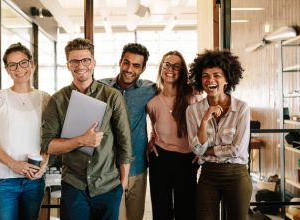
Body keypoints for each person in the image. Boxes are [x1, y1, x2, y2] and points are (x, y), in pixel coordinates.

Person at [41, 38, 133, 220]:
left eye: (85, 60)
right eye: (74, 61)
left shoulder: (112, 97)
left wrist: (122, 184)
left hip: (107, 185)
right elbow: (48, 145)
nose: (80, 65)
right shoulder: (57, 100)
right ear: (68, 65)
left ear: (94, 63)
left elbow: (125, 144)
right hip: (73, 186)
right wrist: (82, 140)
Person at [0, 42, 50, 220]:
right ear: (7, 69)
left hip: (34, 181)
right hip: (3, 182)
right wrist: (13, 163)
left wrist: (45, 162)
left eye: (23, 62)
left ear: (32, 64)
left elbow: (50, 137)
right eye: (12, 65)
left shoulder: (45, 98)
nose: (19, 69)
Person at [186, 49, 252, 220]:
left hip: (236, 175)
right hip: (208, 176)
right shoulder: (193, 111)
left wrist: (207, 150)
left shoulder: (242, 108)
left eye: (217, 75)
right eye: (205, 76)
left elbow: (236, 149)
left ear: (227, 79)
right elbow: (195, 149)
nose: (210, 80)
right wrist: (205, 119)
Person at [99, 43, 155, 220]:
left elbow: (168, 106)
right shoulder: (101, 88)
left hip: (137, 167)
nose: (129, 69)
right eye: (126, 62)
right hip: (108, 170)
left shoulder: (149, 90)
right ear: (120, 62)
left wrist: (155, 136)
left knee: (134, 217)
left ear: (143, 68)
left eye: (136, 65)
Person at [146, 51, 200, 220]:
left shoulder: (192, 97)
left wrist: (201, 151)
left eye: (176, 66)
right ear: (161, 68)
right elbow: (154, 127)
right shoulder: (152, 101)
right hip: (160, 158)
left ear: (182, 71)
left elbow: (204, 127)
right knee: (161, 210)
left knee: (186, 210)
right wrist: (150, 142)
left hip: (187, 159)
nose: (171, 69)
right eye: (167, 64)